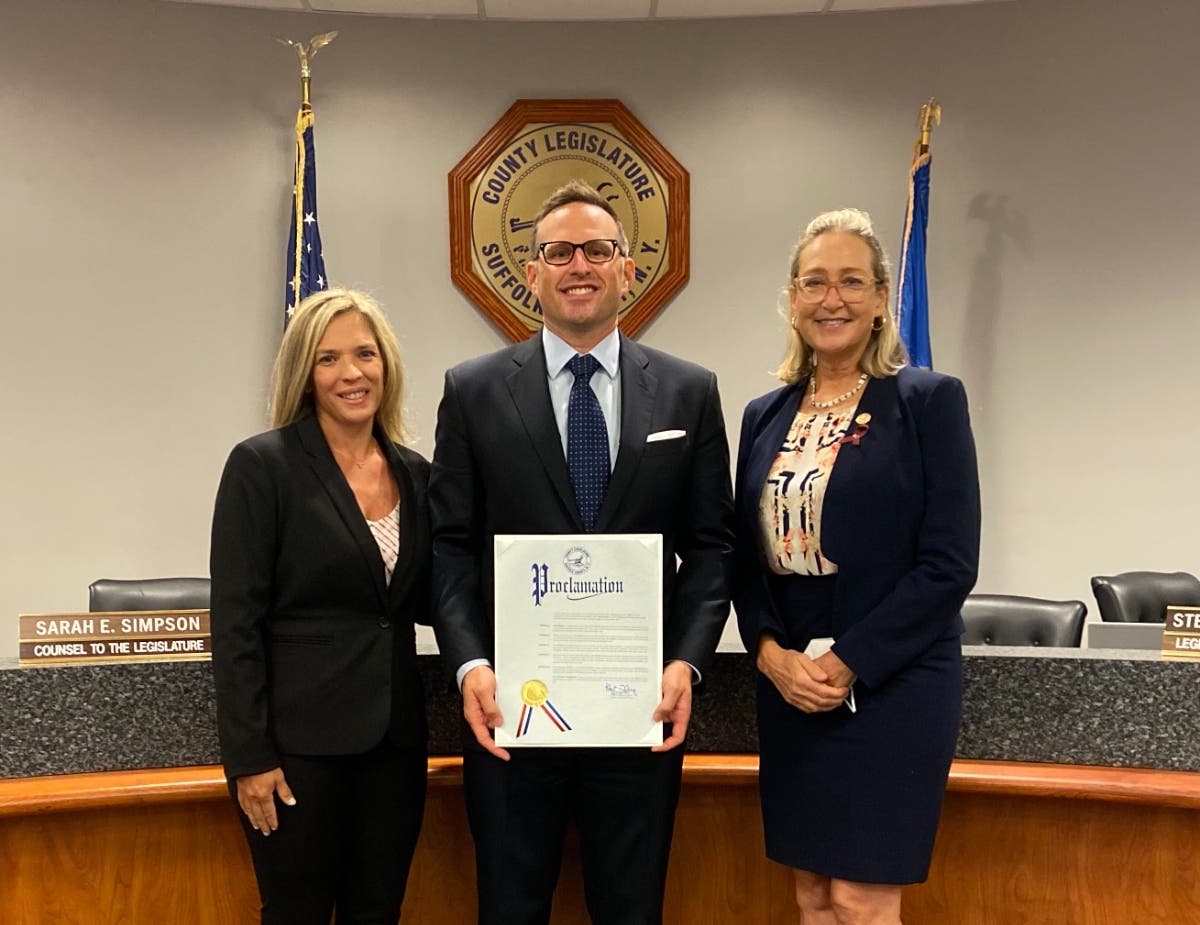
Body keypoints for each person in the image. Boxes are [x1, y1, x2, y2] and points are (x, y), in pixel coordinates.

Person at [429, 179, 735, 925]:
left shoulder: (689, 393)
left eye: (599, 249)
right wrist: (470, 662)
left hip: (640, 715)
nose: (579, 265)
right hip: (511, 715)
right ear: (530, 272)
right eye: (558, 251)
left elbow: (712, 545)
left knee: (631, 910)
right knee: (510, 908)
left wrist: (686, 660)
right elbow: (449, 546)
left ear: (628, 269)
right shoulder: (471, 391)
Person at [734, 209, 980, 924]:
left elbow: (949, 563)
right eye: (814, 282)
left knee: (861, 896)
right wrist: (773, 654)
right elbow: (743, 559)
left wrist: (845, 663)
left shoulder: (927, 401)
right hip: (790, 681)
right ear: (792, 298)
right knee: (812, 891)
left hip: (892, 675)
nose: (831, 298)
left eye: (850, 281)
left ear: (879, 299)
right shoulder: (763, 414)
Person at [210, 288, 430, 924]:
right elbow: (236, 625)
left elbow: (433, 598)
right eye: (328, 359)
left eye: (365, 354)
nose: (351, 373)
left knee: (378, 911)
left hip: (393, 746)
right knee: (297, 914)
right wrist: (249, 759)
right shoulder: (263, 466)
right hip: (297, 750)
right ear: (305, 374)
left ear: (386, 365)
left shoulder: (416, 473)